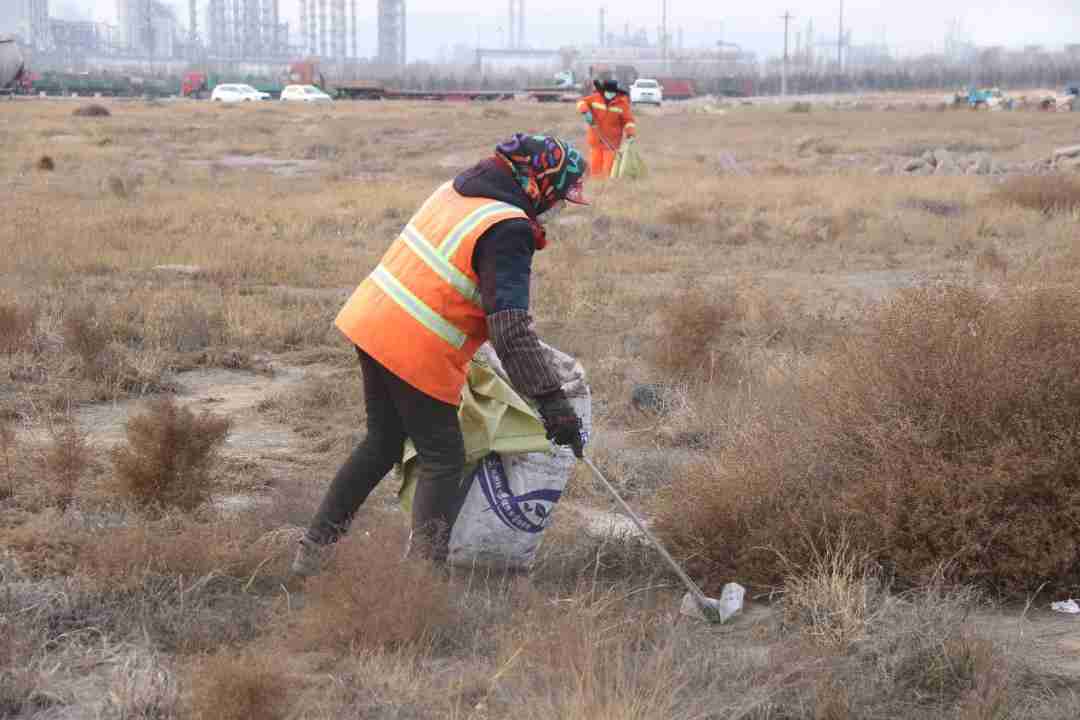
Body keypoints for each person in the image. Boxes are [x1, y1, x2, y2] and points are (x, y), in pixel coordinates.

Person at [292, 134, 589, 576]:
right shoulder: (508, 227)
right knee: (443, 458)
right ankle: (422, 583)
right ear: (540, 184)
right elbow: (509, 328)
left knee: (381, 443)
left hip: (371, 320)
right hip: (414, 344)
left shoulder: (460, 191)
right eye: (559, 198)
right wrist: (552, 404)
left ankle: (311, 556)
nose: (557, 209)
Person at [576, 78, 637, 178]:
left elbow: (628, 121)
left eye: (612, 92)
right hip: (595, 140)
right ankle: (597, 188)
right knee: (595, 170)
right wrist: (585, 112)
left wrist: (630, 133)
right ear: (604, 91)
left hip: (611, 144)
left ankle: (608, 189)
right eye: (608, 92)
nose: (610, 94)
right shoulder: (595, 98)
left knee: (608, 170)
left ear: (616, 92)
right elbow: (581, 102)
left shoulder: (622, 104)